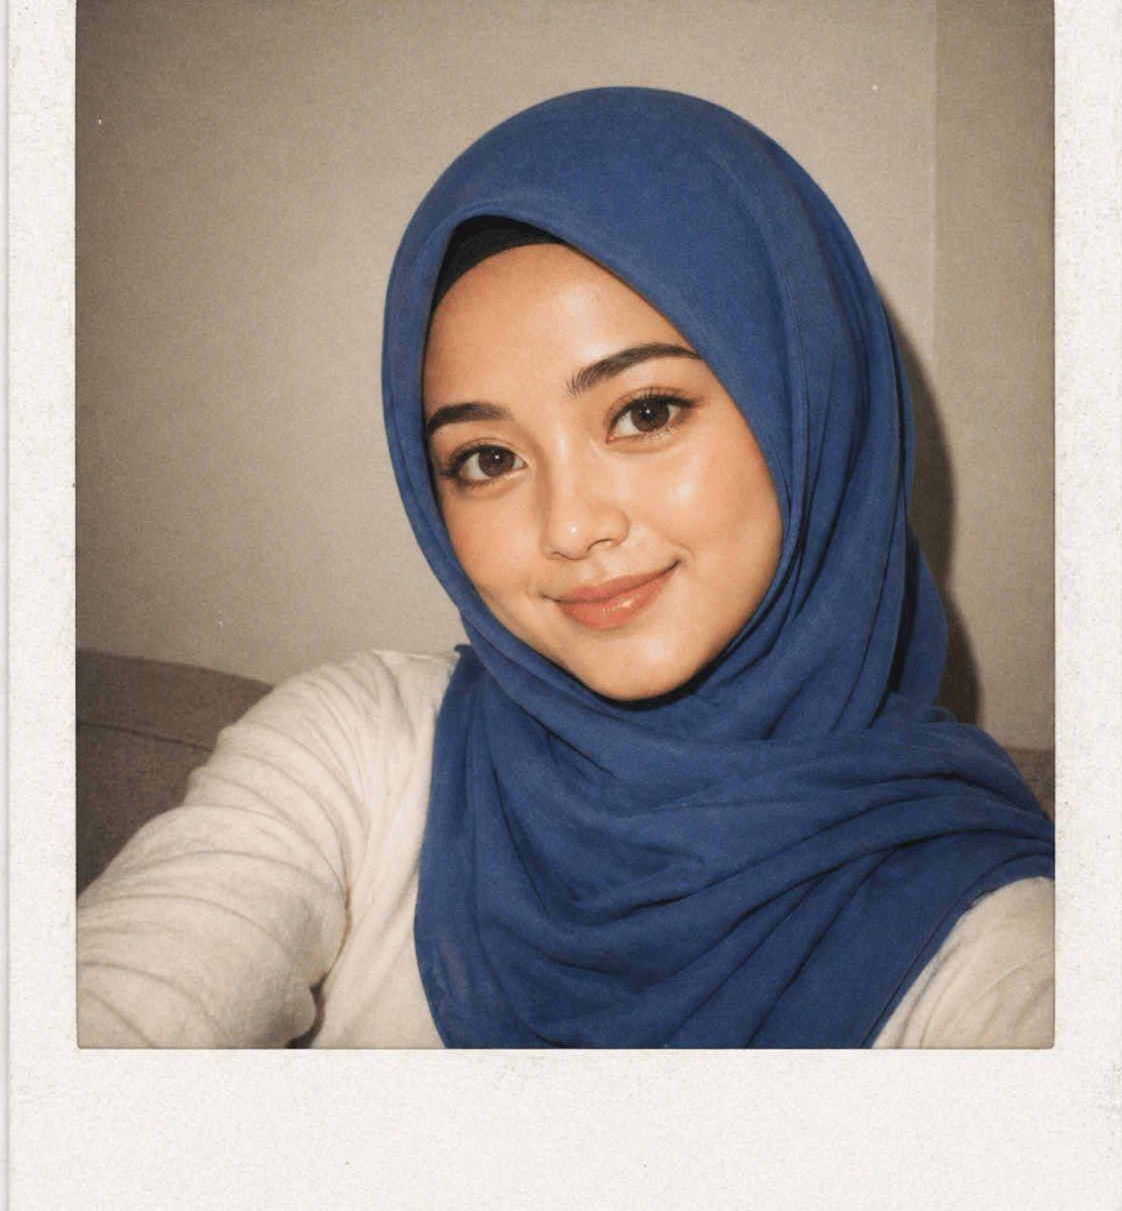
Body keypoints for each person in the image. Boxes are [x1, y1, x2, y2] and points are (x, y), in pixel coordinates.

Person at [77, 87, 1054, 1049]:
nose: (573, 526)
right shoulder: (358, 753)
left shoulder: (996, 952)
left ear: (813, 410)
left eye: (644, 413)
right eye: (487, 459)